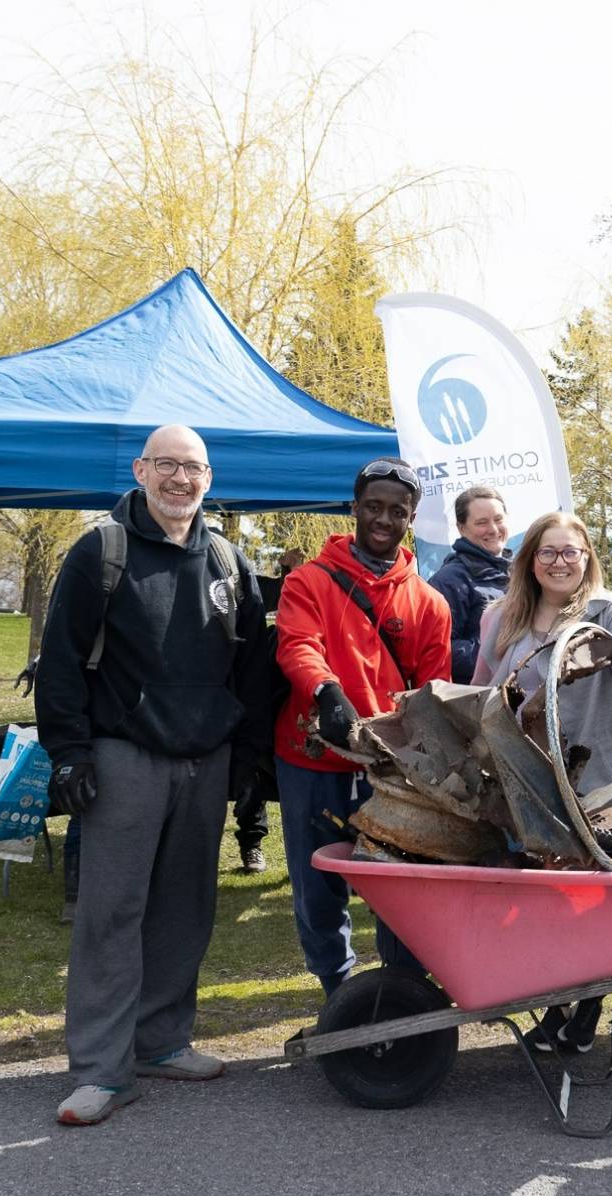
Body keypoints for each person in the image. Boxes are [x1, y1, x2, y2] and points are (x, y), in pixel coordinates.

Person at [34, 424, 272, 1126]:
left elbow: (252, 668)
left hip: (205, 761)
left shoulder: (229, 561)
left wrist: (250, 757)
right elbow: (62, 659)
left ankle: (161, 1042)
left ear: (208, 477)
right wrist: (69, 752)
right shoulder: (98, 552)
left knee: (184, 911)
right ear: (140, 470)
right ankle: (101, 1071)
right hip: (123, 756)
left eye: (192, 468)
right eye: (166, 465)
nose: (179, 479)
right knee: (112, 915)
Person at [475, 510, 612, 1054]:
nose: (559, 562)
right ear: (530, 561)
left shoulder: (609, 608)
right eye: (547, 552)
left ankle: (582, 1010)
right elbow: (481, 690)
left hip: (595, 778)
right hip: (526, 782)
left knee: (591, 900)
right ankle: (558, 1007)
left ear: (586, 559)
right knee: (543, 903)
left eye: (570, 552)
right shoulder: (502, 618)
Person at [275, 458, 452, 997]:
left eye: (396, 511)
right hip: (313, 759)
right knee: (316, 887)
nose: (383, 519)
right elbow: (297, 644)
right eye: (373, 507)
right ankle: (339, 991)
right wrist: (327, 690)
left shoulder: (429, 603)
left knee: (400, 886)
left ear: (412, 518)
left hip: (390, 773)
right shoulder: (308, 581)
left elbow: (432, 690)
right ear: (354, 508)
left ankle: (401, 994)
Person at [229, 546, 306, 875]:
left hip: (279, 710)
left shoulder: (252, 587)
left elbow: (284, 595)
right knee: (249, 780)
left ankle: (298, 853)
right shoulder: (218, 585)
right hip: (243, 703)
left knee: (290, 785)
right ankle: (251, 844)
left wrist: (289, 571)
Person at [427, 484, 512, 684]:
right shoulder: (449, 581)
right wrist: (502, 656)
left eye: (498, 519)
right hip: (476, 701)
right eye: (482, 522)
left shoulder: (521, 572)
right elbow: (440, 649)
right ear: (462, 528)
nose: (493, 529)